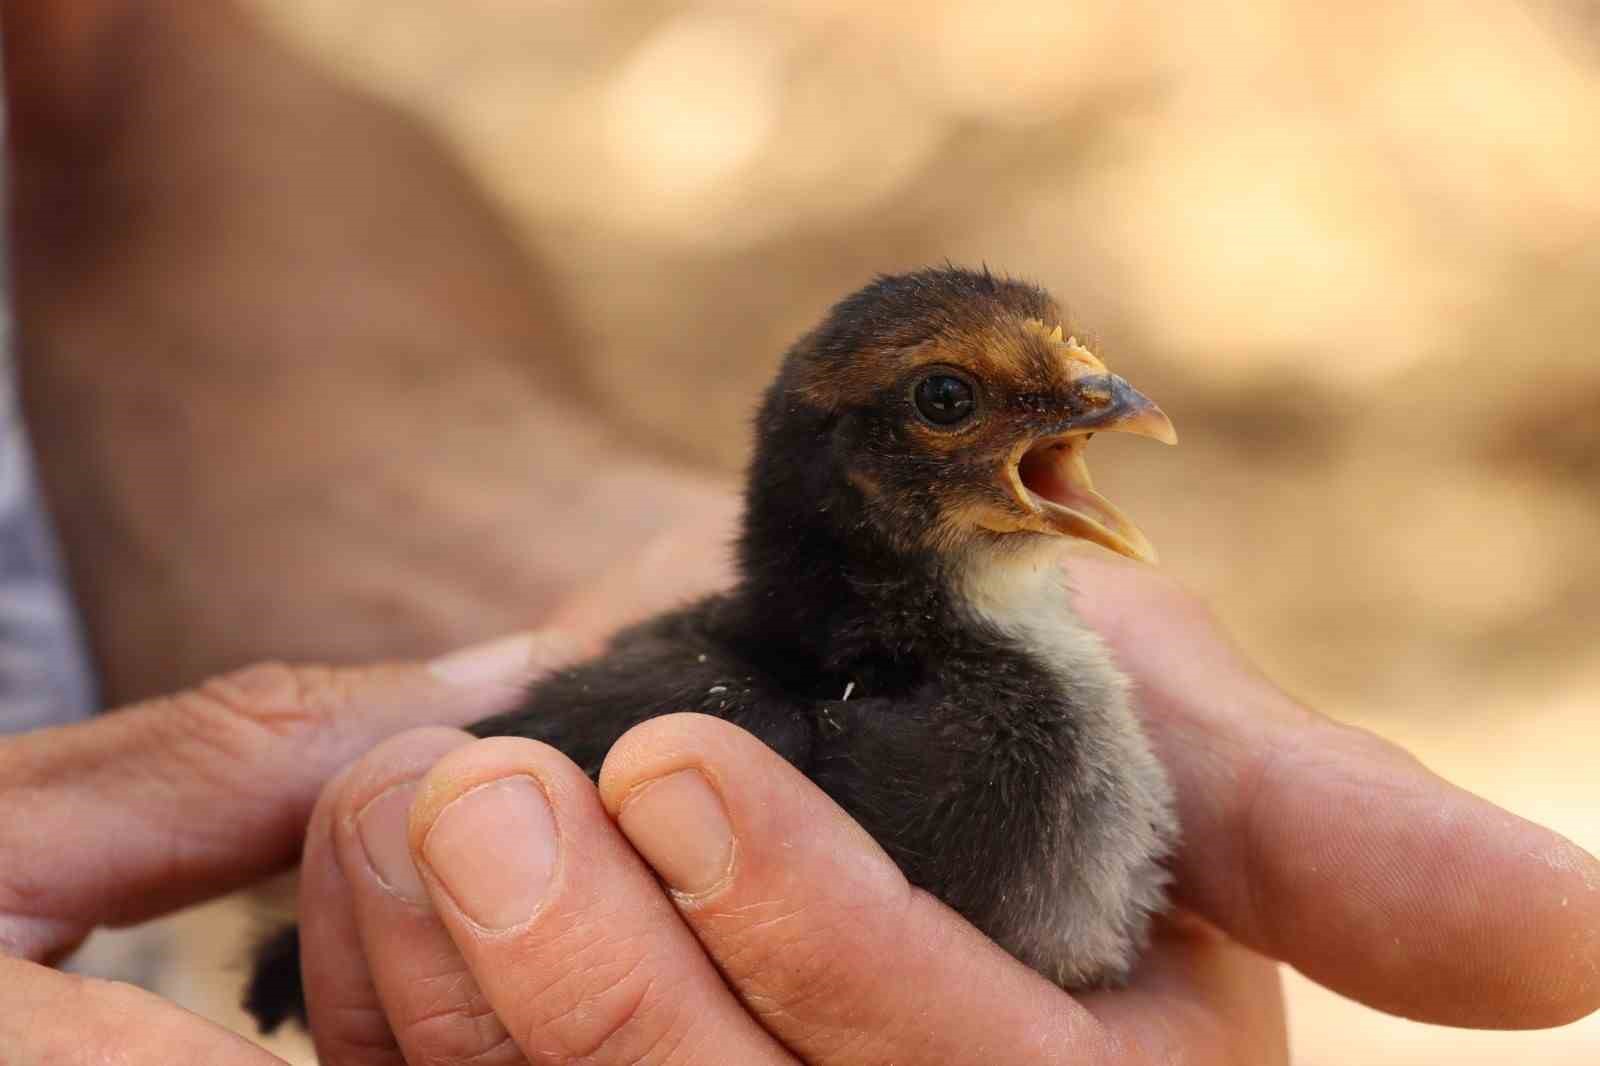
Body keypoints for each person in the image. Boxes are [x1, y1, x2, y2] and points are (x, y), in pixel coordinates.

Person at [1, 2, 1596, 1063]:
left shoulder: (893, 709)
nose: (1098, 406)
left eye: (1067, 382)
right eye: (960, 404)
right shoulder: (939, 747)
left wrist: (482, 565)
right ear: (848, 472)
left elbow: (97, 62)